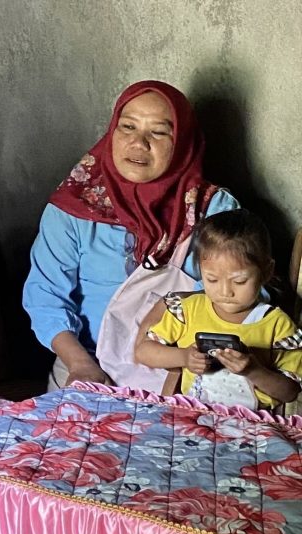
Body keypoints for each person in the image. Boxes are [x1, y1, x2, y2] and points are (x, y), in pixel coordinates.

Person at [22, 80, 239, 390]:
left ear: (184, 143)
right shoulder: (73, 207)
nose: (139, 143)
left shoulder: (213, 210)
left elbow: (240, 296)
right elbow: (45, 297)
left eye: (159, 132)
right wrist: (81, 364)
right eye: (128, 127)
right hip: (86, 365)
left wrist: (177, 367)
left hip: (182, 370)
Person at [135, 209, 302, 410]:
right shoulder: (187, 311)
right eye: (212, 279)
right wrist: (184, 357)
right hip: (195, 415)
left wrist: (253, 370)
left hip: (250, 423)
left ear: (266, 271)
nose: (225, 292)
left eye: (239, 281)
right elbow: (143, 352)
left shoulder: (277, 325)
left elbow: (290, 392)